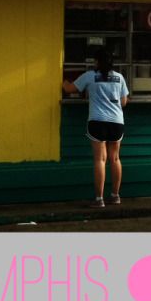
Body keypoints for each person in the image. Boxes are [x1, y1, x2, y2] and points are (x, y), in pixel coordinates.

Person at [62, 48, 129, 208]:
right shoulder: (119, 78)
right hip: (116, 121)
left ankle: (99, 199)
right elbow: (124, 102)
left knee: (100, 159)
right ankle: (115, 196)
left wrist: (64, 81)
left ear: (97, 62)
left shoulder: (89, 76)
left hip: (97, 121)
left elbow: (70, 89)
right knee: (115, 158)